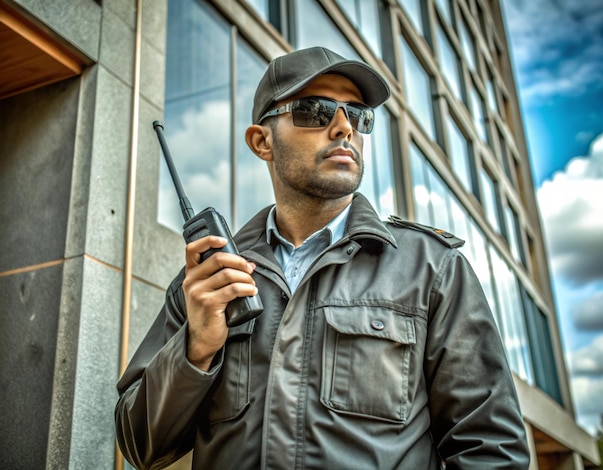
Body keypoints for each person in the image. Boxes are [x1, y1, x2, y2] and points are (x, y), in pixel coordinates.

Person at [116, 46, 530, 469]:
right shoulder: (208, 282)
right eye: (315, 111)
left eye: (356, 115)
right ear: (262, 141)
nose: (343, 128)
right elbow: (138, 444)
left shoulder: (432, 269)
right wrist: (196, 348)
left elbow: (491, 449)